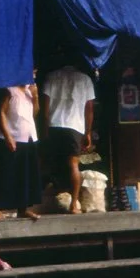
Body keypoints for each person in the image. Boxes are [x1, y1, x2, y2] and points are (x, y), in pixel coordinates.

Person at [41, 63, 96, 214]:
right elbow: (89, 108)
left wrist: (44, 130)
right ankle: (73, 205)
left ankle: (46, 203)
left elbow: (45, 107)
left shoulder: (51, 77)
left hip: (54, 125)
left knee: (51, 164)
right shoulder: (85, 80)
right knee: (73, 165)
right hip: (75, 127)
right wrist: (88, 132)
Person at [0, 73, 41, 221]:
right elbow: (1, 112)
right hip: (11, 136)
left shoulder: (29, 90)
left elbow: (34, 113)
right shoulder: (9, 89)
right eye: (32, 72)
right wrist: (7, 136)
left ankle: (23, 208)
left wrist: (35, 97)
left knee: (25, 174)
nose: (34, 75)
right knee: (5, 172)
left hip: (28, 137)